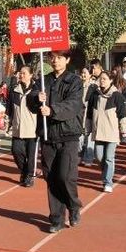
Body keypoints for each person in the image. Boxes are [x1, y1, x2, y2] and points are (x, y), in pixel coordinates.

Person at [37, 50, 84, 233]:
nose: (55, 61)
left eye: (59, 58)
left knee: (65, 176)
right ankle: (56, 218)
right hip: (48, 135)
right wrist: (36, 99)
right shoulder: (44, 80)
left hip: (68, 135)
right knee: (51, 178)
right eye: (52, 58)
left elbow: (73, 104)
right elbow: (32, 100)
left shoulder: (74, 81)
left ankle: (73, 205)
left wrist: (52, 110)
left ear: (67, 60)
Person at [88, 71, 126, 192]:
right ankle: (106, 173)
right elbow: (89, 114)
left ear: (111, 80)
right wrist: (87, 128)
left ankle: (108, 182)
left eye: (105, 79)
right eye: (101, 79)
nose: (102, 81)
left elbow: (122, 115)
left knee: (109, 158)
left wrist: (123, 131)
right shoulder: (95, 95)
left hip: (111, 133)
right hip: (98, 132)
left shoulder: (117, 96)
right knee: (99, 157)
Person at [7, 65, 40, 187]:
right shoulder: (14, 89)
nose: (21, 75)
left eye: (24, 73)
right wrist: (9, 121)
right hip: (18, 128)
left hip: (32, 129)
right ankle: (24, 171)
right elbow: (10, 107)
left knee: (31, 156)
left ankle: (29, 176)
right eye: (20, 73)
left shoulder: (37, 89)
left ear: (31, 75)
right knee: (16, 151)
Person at [79, 67, 97, 167]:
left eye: (85, 73)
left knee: (89, 137)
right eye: (82, 72)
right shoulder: (77, 86)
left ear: (90, 75)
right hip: (79, 115)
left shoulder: (94, 87)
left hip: (89, 115)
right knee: (80, 138)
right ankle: (79, 155)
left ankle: (88, 158)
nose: (83, 75)